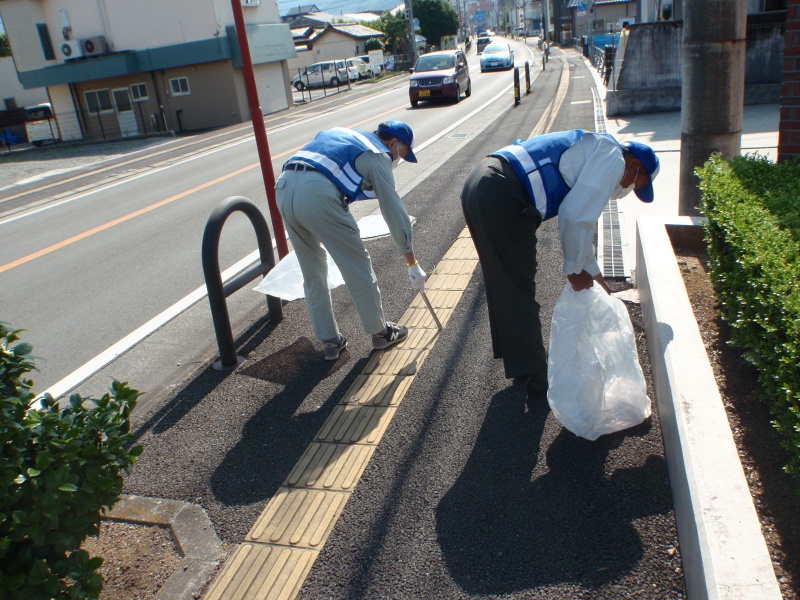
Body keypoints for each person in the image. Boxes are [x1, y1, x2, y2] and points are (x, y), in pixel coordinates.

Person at [460, 129, 659, 402]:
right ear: (635, 164)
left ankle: (522, 364)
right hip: (505, 192)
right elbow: (575, 216)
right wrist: (574, 269)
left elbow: (582, 225)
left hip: (483, 181)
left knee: (503, 281)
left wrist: (596, 276)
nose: (629, 190)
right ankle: (537, 375)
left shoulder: (600, 146)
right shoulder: (615, 160)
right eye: (636, 184)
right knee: (517, 285)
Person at [276, 121, 428, 361]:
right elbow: (393, 209)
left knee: (312, 270)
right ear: (394, 143)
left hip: (284, 187)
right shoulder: (378, 154)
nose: (397, 161)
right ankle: (381, 332)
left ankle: (330, 341)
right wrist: (412, 262)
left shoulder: (346, 135)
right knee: (356, 263)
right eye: (401, 155)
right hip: (319, 193)